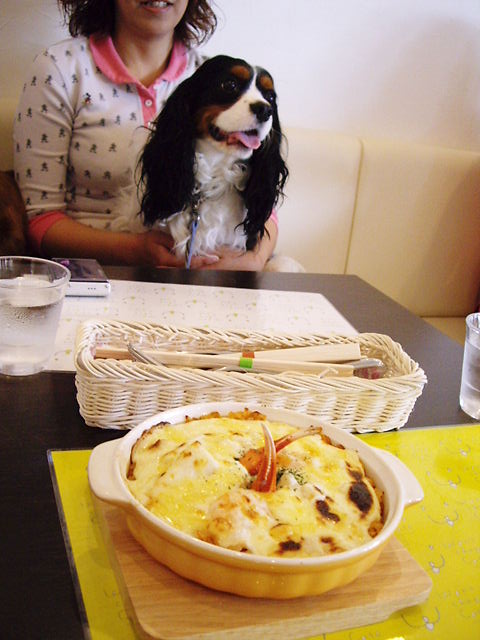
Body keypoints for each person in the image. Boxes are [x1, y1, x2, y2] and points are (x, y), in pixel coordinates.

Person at [13, 0, 278, 270]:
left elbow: (265, 208)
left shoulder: (211, 76)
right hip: (92, 274)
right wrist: (132, 251)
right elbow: (40, 220)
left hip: (213, 277)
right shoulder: (61, 69)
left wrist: (254, 260)